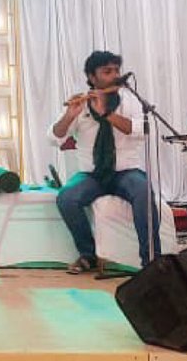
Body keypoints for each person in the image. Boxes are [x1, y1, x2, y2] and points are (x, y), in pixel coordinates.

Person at [51, 50, 161, 274]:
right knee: (66, 198)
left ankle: (152, 261)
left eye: (117, 70)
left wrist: (106, 113)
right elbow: (55, 137)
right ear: (92, 77)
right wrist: (69, 115)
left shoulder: (130, 100)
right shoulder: (81, 104)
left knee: (143, 191)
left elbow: (141, 129)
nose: (115, 76)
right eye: (107, 71)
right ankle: (88, 255)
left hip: (125, 172)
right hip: (91, 175)